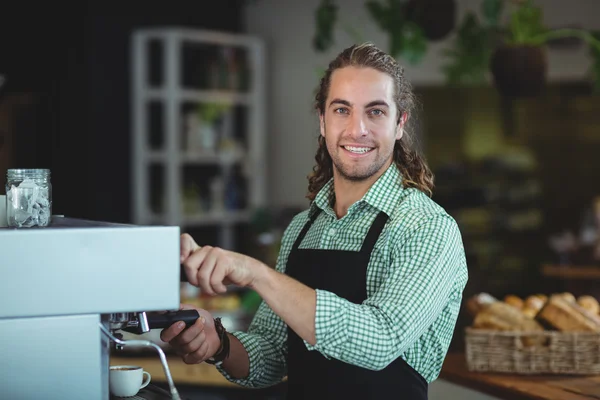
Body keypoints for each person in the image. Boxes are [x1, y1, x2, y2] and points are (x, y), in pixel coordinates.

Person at [161, 42, 468, 400]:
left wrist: (257, 274)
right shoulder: (303, 228)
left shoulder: (426, 228)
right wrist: (218, 343)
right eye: (342, 110)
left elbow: (379, 341)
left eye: (376, 112)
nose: (357, 130)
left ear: (400, 124)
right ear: (322, 121)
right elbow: (273, 356)